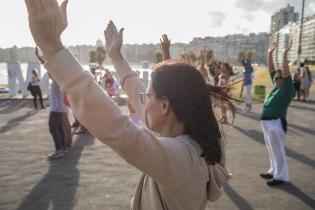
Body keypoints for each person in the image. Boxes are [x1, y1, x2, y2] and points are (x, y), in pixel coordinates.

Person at [25, 1, 234, 209]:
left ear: (164, 107)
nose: (143, 99)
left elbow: (118, 129)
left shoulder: (182, 158)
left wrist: (51, 45)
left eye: (149, 96)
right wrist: (116, 56)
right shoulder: (193, 142)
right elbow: (136, 90)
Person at [260, 42, 294, 186]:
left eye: (278, 78)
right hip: (266, 122)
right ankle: (273, 170)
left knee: (278, 151)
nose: (276, 79)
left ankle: (281, 176)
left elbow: (285, 71)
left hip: (276, 122)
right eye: (275, 78)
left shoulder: (287, 89)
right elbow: (272, 68)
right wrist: (269, 53)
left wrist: (285, 54)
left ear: (283, 79)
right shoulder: (275, 87)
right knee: (271, 149)